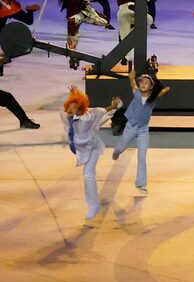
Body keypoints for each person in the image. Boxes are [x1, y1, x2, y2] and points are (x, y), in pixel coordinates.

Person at [106, 66, 165, 198]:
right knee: (123, 145)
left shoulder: (152, 98)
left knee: (142, 156)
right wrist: (131, 78)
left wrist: (164, 90)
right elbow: (133, 85)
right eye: (142, 82)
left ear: (151, 87)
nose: (142, 84)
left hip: (143, 129)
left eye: (146, 83)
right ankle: (117, 150)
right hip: (131, 127)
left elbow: (159, 93)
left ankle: (141, 184)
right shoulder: (137, 93)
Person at [60, 86, 104, 222]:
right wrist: (72, 95)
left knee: (88, 175)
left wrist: (112, 106)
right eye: (68, 107)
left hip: (92, 148)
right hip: (81, 149)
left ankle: (93, 206)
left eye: (73, 108)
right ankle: (94, 205)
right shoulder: (64, 115)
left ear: (79, 110)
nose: (69, 111)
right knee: (88, 175)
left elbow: (98, 113)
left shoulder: (86, 120)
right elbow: (69, 108)